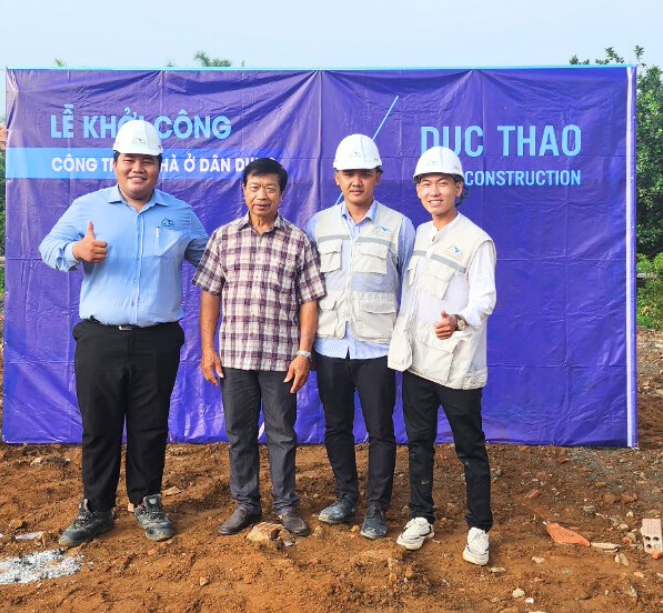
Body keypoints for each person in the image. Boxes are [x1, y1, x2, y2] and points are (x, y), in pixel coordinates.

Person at [38, 119, 208, 546]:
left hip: (157, 340)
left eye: (147, 160)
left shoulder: (180, 214)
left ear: (159, 167)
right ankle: (96, 508)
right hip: (101, 338)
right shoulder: (88, 207)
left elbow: (212, 262)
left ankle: (147, 501)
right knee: (100, 427)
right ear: (114, 163)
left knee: (150, 426)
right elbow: (48, 248)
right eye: (130, 159)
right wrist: (76, 250)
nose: (138, 168)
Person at [193, 157, 326, 537]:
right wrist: (208, 349)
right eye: (255, 187)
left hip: (281, 358)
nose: (262, 195)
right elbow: (210, 293)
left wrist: (303, 353)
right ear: (244, 191)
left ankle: (285, 505)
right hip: (234, 357)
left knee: (282, 433)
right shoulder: (224, 238)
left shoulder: (298, 241)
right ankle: (246, 503)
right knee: (239, 432)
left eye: (270, 188)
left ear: (282, 194)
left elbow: (309, 300)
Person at [388, 146, 497, 566]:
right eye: (426, 184)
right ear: (418, 190)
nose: (434, 191)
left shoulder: (475, 240)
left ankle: (479, 527)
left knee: (470, 447)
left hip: (457, 364)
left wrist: (459, 320)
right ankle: (421, 517)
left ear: (459, 188)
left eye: (443, 183)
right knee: (419, 443)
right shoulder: (418, 234)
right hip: (417, 362)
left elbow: (485, 299)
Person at [306, 134, 414, 539]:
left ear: (377, 177)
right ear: (336, 177)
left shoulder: (399, 226)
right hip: (330, 344)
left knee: (380, 429)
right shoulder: (318, 225)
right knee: (336, 426)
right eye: (349, 173)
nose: (356, 181)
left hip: (377, 347)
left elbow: (412, 289)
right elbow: (307, 289)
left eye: (364, 174)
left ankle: (377, 508)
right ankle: (346, 497)